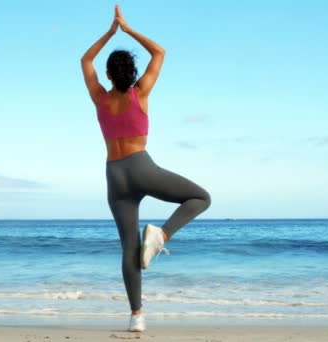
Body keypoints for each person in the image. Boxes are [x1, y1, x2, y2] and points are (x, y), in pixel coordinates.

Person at [80, 5, 212, 333]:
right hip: (141, 167)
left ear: (109, 75)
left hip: (115, 175)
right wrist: (128, 30)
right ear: (131, 73)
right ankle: (162, 234)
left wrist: (109, 33)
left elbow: (85, 61)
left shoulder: (99, 98)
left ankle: (136, 316)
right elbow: (160, 51)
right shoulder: (141, 92)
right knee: (201, 198)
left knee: (128, 248)